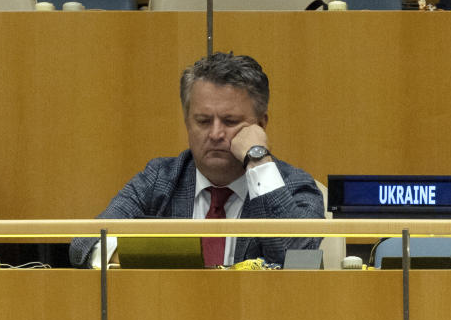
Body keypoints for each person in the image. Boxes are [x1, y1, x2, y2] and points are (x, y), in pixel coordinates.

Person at [69, 52, 324, 269]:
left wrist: (258, 159)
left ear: (261, 124)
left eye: (230, 121)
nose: (215, 134)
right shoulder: (161, 178)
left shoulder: (293, 186)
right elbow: (83, 243)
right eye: (203, 121)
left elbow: (297, 258)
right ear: (187, 123)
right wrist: (146, 257)